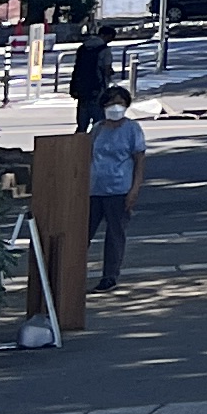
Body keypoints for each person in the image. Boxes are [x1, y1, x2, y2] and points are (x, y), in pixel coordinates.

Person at [85, 95, 149, 291]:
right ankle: (72, 273)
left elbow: (139, 161)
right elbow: (86, 155)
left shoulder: (132, 129)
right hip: (94, 189)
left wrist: (134, 189)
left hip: (119, 189)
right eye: (111, 103)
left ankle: (110, 276)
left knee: (115, 235)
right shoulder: (97, 129)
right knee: (82, 234)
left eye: (120, 103)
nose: (115, 107)